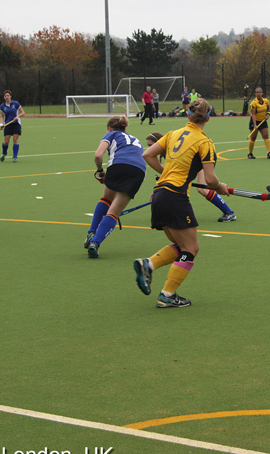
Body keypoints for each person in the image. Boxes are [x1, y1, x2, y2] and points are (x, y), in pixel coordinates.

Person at [133, 98, 229, 308]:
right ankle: (167, 295)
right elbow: (210, 179)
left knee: (181, 246)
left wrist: (165, 172)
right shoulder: (205, 142)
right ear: (208, 118)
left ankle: (148, 264)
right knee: (191, 248)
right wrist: (220, 187)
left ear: (188, 115)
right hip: (175, 196)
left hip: (159, 193)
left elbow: (148, 154)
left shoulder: (173, 134)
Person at [84, 116, 148, 258]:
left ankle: (92, 232)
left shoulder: (111, 134)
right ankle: (95, 243)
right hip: (139, 172)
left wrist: (100, 171)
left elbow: (98, 155)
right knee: (114, 212)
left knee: (106, 198)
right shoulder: (135, 139)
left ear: (109, 128)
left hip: (118, 165)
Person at [146, 132, 235, 222]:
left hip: (200, 161)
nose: (150, 148)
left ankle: (229, 213)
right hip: (192, 164)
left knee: (202, 189)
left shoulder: (170, 150)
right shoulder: (166, 151)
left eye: (151, 145)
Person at [247, 87, 270, 159]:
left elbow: (268, 109)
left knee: (266, 136)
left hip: (263, 120)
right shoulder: (254, 103)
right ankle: (250, 153)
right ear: (255, 94)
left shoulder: (266, 101)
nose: (258, 94)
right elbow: (253, 114)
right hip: (255, 121)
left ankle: (269, 152)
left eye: (260, 92)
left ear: (262, 93)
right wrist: (255, 124)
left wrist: (268, 114)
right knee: (253, 137)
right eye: (257, 92)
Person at [0, 90, 25, 162]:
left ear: (10, 96)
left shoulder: (15, 103)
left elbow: (23, 112)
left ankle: (15, 156)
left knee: (15, 140)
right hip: (7, 124)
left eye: (8, 95)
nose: (7, 97)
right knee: (6, 141)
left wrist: (17, 116)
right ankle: (4, 153)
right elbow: (2, 116)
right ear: (4, 97)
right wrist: (1, 124)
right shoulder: (2, 106)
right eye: (5, 96)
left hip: (16, 124)